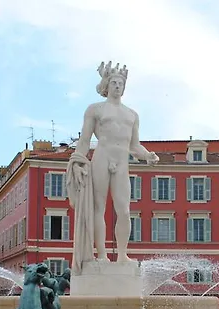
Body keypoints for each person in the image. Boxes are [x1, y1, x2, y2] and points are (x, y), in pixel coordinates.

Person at [66, 61, 160, 272]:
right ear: (106, 85)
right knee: (99, 208)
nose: (117, 86)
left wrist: (147, 155)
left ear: (124, 87)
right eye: (114, 82)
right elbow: (84, 140)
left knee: (124, 211)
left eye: (121, 83)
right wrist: (78, 160)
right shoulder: (95, 109)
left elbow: (134, 146)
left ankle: (122, 254)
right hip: (101, 158)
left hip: (122, 163)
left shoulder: (132, 115)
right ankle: (101, 255)